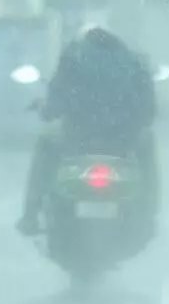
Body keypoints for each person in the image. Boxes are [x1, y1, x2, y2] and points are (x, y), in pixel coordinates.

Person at [16, 25, 159, 238]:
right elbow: (149, 113)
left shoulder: (73, 57)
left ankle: (30, 214)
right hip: (121, 143)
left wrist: (42, 108)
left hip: (79, 140)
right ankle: (149, 210)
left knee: (45, 144)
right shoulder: (133, 61)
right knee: (147, 144)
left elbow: (53, 107)